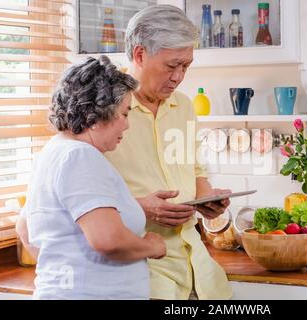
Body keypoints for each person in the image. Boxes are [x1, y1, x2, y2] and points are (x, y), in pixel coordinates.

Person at [105, 5, 233, 300]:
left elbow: (195, 170)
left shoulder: (184, 106)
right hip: (145, 271)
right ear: (139, 55)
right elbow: (80, 196)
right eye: (171, 65)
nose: (179, 77)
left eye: (186, 66)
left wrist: (207, 198)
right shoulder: (104, 112)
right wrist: (141, 207)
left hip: (198, 270)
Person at [15, 55, 166, 299]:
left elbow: (24, 228)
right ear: (96, 117)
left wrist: (63, 271)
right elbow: (109, 240)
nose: (127, 126)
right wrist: (153, 246)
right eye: (125, 114)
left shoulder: (55, 150)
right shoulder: (80, 157)